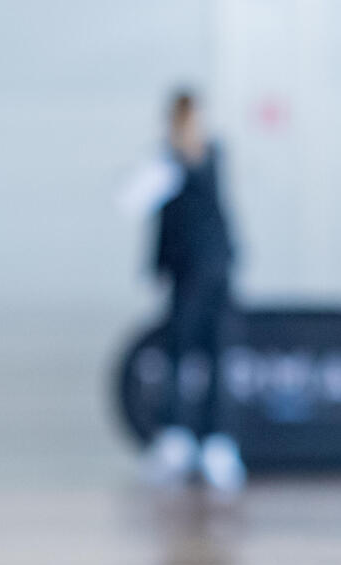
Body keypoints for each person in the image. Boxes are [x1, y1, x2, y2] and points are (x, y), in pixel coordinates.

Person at [114, 89, 245, 494]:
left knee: (217, 356)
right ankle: (176, 440)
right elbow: (148, 214)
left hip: (215, 274)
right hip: (182, 277)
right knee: (177, 355)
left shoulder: (210, 158)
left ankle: (217, 442)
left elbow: (213, 206)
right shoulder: (162, 162)